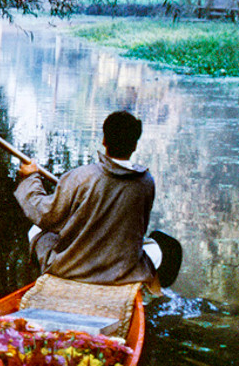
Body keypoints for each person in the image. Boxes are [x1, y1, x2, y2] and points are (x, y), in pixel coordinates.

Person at [15, 110, 156, 284]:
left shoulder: (80, 177)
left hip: (73, 269)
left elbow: (45, 215)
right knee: (154, 249)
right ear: (134, 145)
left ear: (104, 141)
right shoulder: (147, 182)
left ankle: (41, 278)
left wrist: (30, 178)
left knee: (36, 231)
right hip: (123, 270)